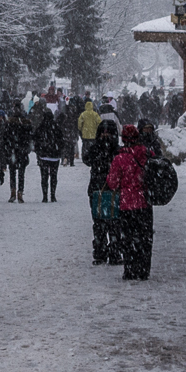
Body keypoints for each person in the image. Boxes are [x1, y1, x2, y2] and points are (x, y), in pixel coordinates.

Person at [107, 121, 155, 280]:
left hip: (126, 204)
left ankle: (130, 269)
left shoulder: (119, 159)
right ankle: (144, 269)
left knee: (128, 238)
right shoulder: (148, 153)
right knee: (145, 238)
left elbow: (112, 183)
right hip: (145, 202)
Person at [84, 113, 123, 264]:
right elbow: (87, 159)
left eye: (108, 132)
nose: (105, 135)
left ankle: (113, 251)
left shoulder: (116, 151)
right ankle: (101, 251)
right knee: (100, 223)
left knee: (114, 223)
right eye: (103, 132)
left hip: (111, 190)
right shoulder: (98, 149)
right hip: (98, 190)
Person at [34, 102, 63, 203]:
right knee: (54, 176)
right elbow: (61, 141)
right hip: (54, 156)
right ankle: (53, 195)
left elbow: (36, 140)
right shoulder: (56, 127)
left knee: (44, 176)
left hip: (43, 156)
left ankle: (45, 196)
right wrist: (59, 151)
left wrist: (38, 152)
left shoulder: (40, 128)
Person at [3, 105, 33, 203]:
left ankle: (13, 192)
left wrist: (8, 149)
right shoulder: (26, 124)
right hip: (21, 152)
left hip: (13, 152)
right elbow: (29, 138)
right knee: (21, 174)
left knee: (12, 173)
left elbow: (5, 138)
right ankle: (20, 192)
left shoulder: (9, 124)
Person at [77, 98, 101, 162]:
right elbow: (99, 123)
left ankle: (85, 157)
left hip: (85, 134)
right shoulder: (95, 114)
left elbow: (79, 123)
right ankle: (93, 156)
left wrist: (81, 129)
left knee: (85, 146)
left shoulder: (83, 114)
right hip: (93, 134)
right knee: (93, 146)